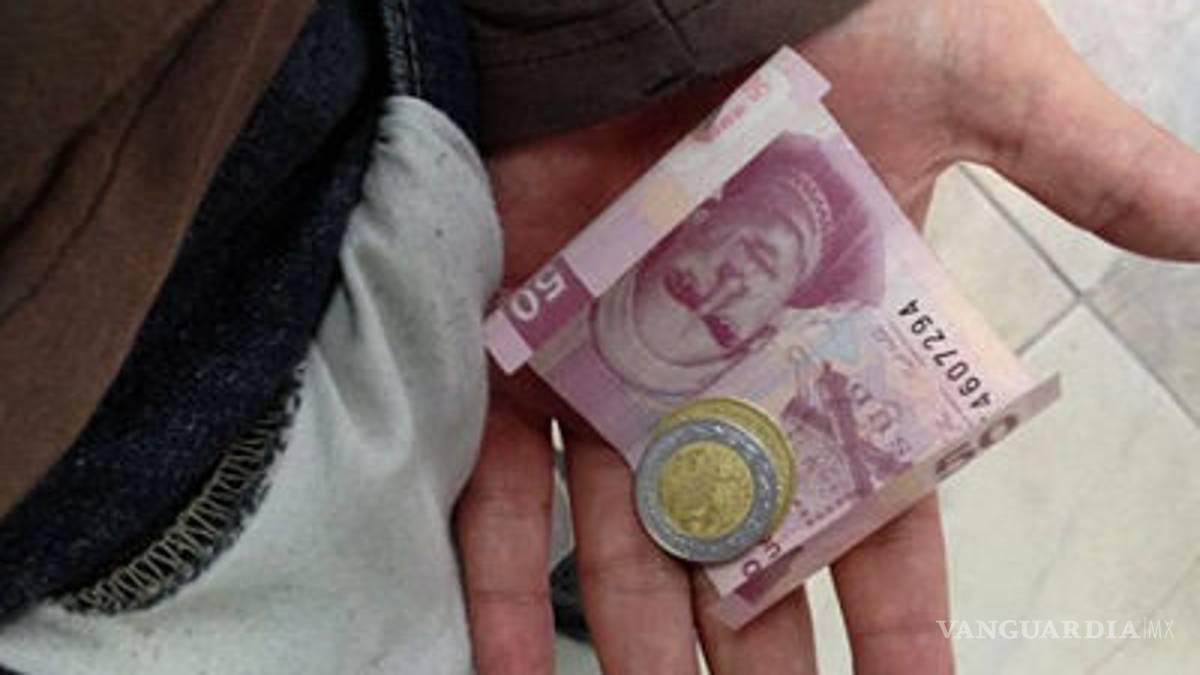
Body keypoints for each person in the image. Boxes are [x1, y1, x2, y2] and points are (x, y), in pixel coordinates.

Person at [1, 2, 1198, 675]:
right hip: (121, 495)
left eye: (747, 286)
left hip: (383, 89)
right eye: (745, 260)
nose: (728, 287)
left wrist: (654, 21)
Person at [590, 132, 884, 398]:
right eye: (723, 327)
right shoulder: (869, 278)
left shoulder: (735, 132)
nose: (730, 285)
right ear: (766, 332)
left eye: (686, 284)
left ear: (689, 223)